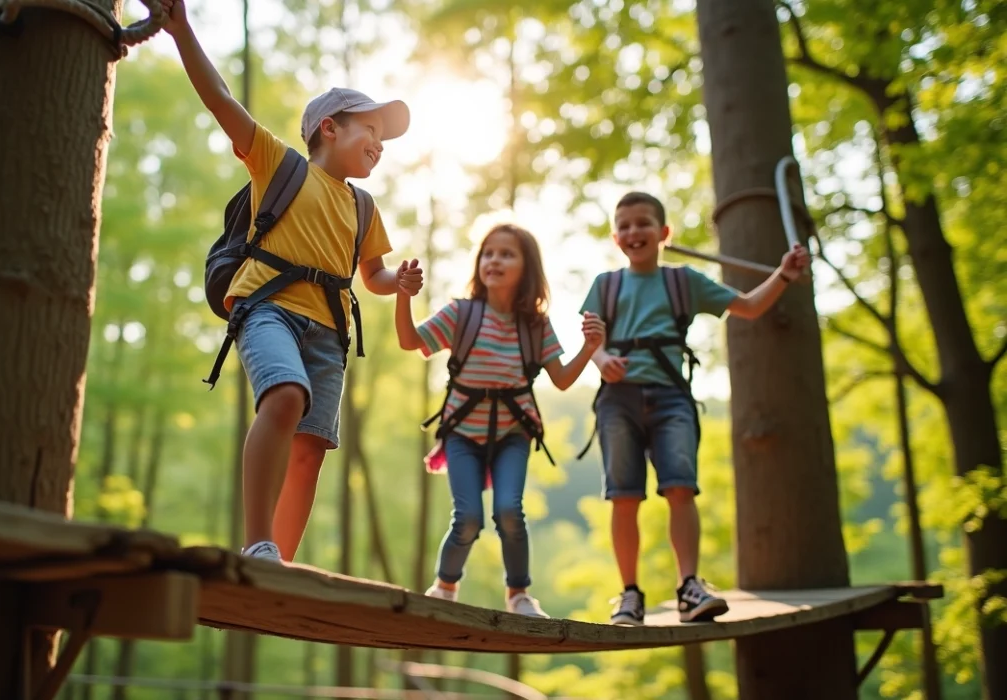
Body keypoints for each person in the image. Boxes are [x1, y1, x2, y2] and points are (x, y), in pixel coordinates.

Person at [163, 0, 424, 562]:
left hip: (329, 334)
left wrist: (396, 284)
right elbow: (219, 100)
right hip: (269, 310)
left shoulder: (364, 206)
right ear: (329, 127)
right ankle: (257, 543)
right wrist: (183, 31)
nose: (380, 143)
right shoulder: (279, 164)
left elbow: (370, 274)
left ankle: (279, 564)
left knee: (310, 449)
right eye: (371, 129)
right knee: (283, 397)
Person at [580, 191, 811, 625]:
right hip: (618, 400)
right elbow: (591, 340)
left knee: (681, 488)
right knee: (623, 496)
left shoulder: (683, 281)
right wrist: (601, 358)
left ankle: (689, 587)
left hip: (671, 397)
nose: (634, 232)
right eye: (625, 225)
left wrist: (782, 274)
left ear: (664, 233)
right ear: (615, 237)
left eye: (644, 223)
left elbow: (748, 306)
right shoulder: (605, 286)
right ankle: (629, 595)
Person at [395, 222, 606, 617]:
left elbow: (561, 380)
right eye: (488, 253)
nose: (494, 260)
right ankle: (444, 587)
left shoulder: (535, 325)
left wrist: (589, 348)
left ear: (528, 268)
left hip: (513, 433)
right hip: (461, 433)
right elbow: (411, 341)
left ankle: (519, 596)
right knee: (469, 518)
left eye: (507, 254)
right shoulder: (462, 313)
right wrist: (404, 296)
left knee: (509, 511)